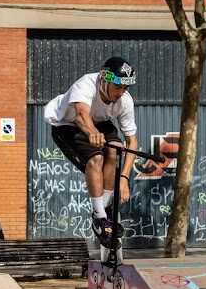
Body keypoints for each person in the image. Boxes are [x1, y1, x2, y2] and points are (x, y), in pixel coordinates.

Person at [44, 56, 138, 243]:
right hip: (67, 124)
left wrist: (124, 179)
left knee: (116, 150)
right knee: (96, 159)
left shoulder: (125, 101)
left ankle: (103, 208)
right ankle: (100, 217)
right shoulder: (86, 84)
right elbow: (81, 115)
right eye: (117, 87)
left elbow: (132, 142)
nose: (121, 93)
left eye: (125, 88)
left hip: (99, 122)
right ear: (104, 80)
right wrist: (93, 133)